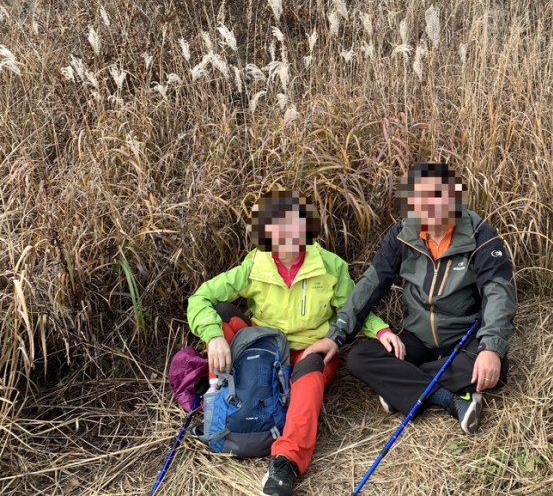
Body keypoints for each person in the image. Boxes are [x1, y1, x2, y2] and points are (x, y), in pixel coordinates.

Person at [186, 190, 390, 496]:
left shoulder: (330, 266)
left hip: (311, 349)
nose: (287, 234)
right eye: (277, 226)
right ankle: (220, 410)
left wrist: (382, 331)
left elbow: (354, 309)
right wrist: (214, 336)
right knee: (223, 315)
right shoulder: (255, 265)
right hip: (266, 351)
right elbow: (200, 297)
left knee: (309, 375)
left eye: (295, 224)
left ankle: (285, 462)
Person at [303, 163, 516, 434]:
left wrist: (491, 349)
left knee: (492, 368)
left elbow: (499, 293)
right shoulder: (402, 234)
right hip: (417, 337)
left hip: (464, 338)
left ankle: (401, 386)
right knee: (360, 358)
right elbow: (371, 284)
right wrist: (336, 335)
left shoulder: (480, 235)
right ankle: (447, 397)